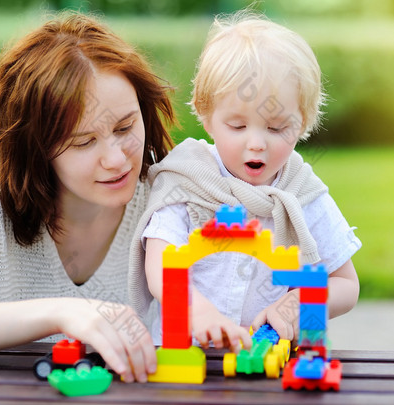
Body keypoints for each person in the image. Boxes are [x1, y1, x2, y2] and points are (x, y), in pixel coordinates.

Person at [0, 12, 176, 383]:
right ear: (37, 147)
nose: (118, 159)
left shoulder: (162, 185)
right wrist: (62, 313)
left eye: (125, 127)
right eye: (84, 142)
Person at [129, 11, 361, 353]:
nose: (256, 143)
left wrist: (295, 306)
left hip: (269, 362)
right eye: (237, 126)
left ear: (303, 122)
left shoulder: (302, 195)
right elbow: (161, 264)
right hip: (186, 363)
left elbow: (345, 284)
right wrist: (199, 310)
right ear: (207, 118)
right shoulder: (187, 180)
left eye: (276, 128)